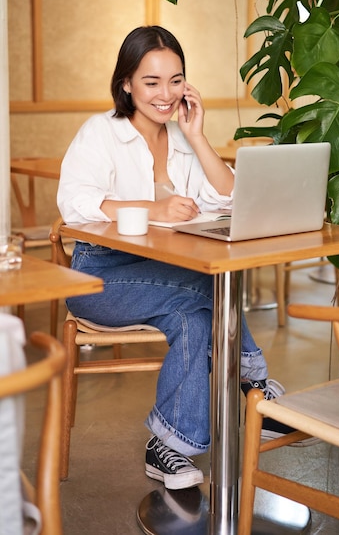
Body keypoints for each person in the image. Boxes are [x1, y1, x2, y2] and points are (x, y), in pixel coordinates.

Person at [57, 26, 302, 491]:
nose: (165, 94)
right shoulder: (101, 133)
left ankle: (170, 444)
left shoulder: (182, 137)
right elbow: (74, 203)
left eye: (176, 80)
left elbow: (230, 198)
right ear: (126, 83)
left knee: (193, 319)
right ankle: (255, 386)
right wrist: (152, 209)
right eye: (151, 82)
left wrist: (198, 133)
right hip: (98, 277)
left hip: (166, 278)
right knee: (210, 283)